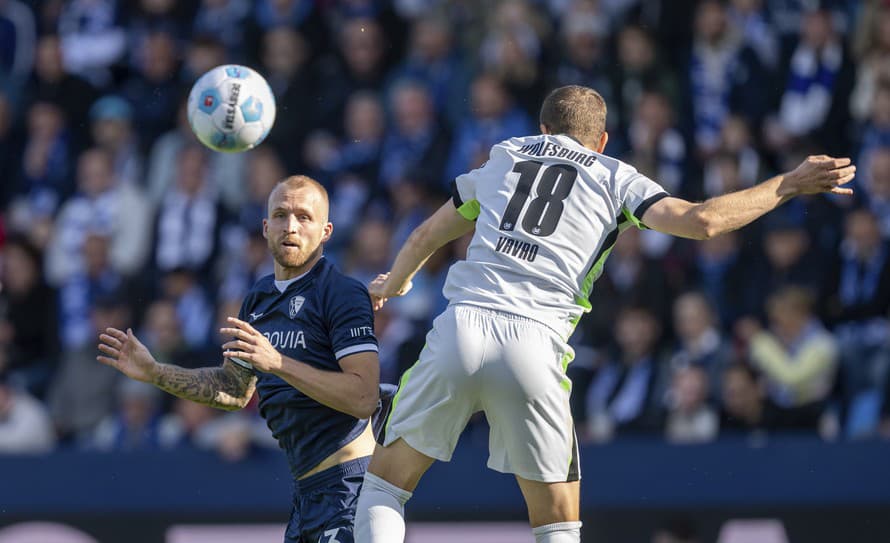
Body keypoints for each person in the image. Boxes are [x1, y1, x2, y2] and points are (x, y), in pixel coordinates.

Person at [354, 85, 856, 543]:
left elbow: (425, 236)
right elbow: (702, 222)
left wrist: (393, 282)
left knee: (384, 487)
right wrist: (787, 184)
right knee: (557, 525)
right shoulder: (617, 176)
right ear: (602, 140)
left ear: (543, 129)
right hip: (536, 346)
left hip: (462, 328)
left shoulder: (504, 156)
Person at [98, 175, 387, 543]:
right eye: (281, 215)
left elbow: (364, 398)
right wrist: (156, 372)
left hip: (351, 488)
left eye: (304, 216)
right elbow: (234, 390)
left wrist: (278, 363)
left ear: (326, 230)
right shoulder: (259, 298)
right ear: (266, 228)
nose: (291, 226)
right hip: (305, 493)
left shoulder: (343, 293)